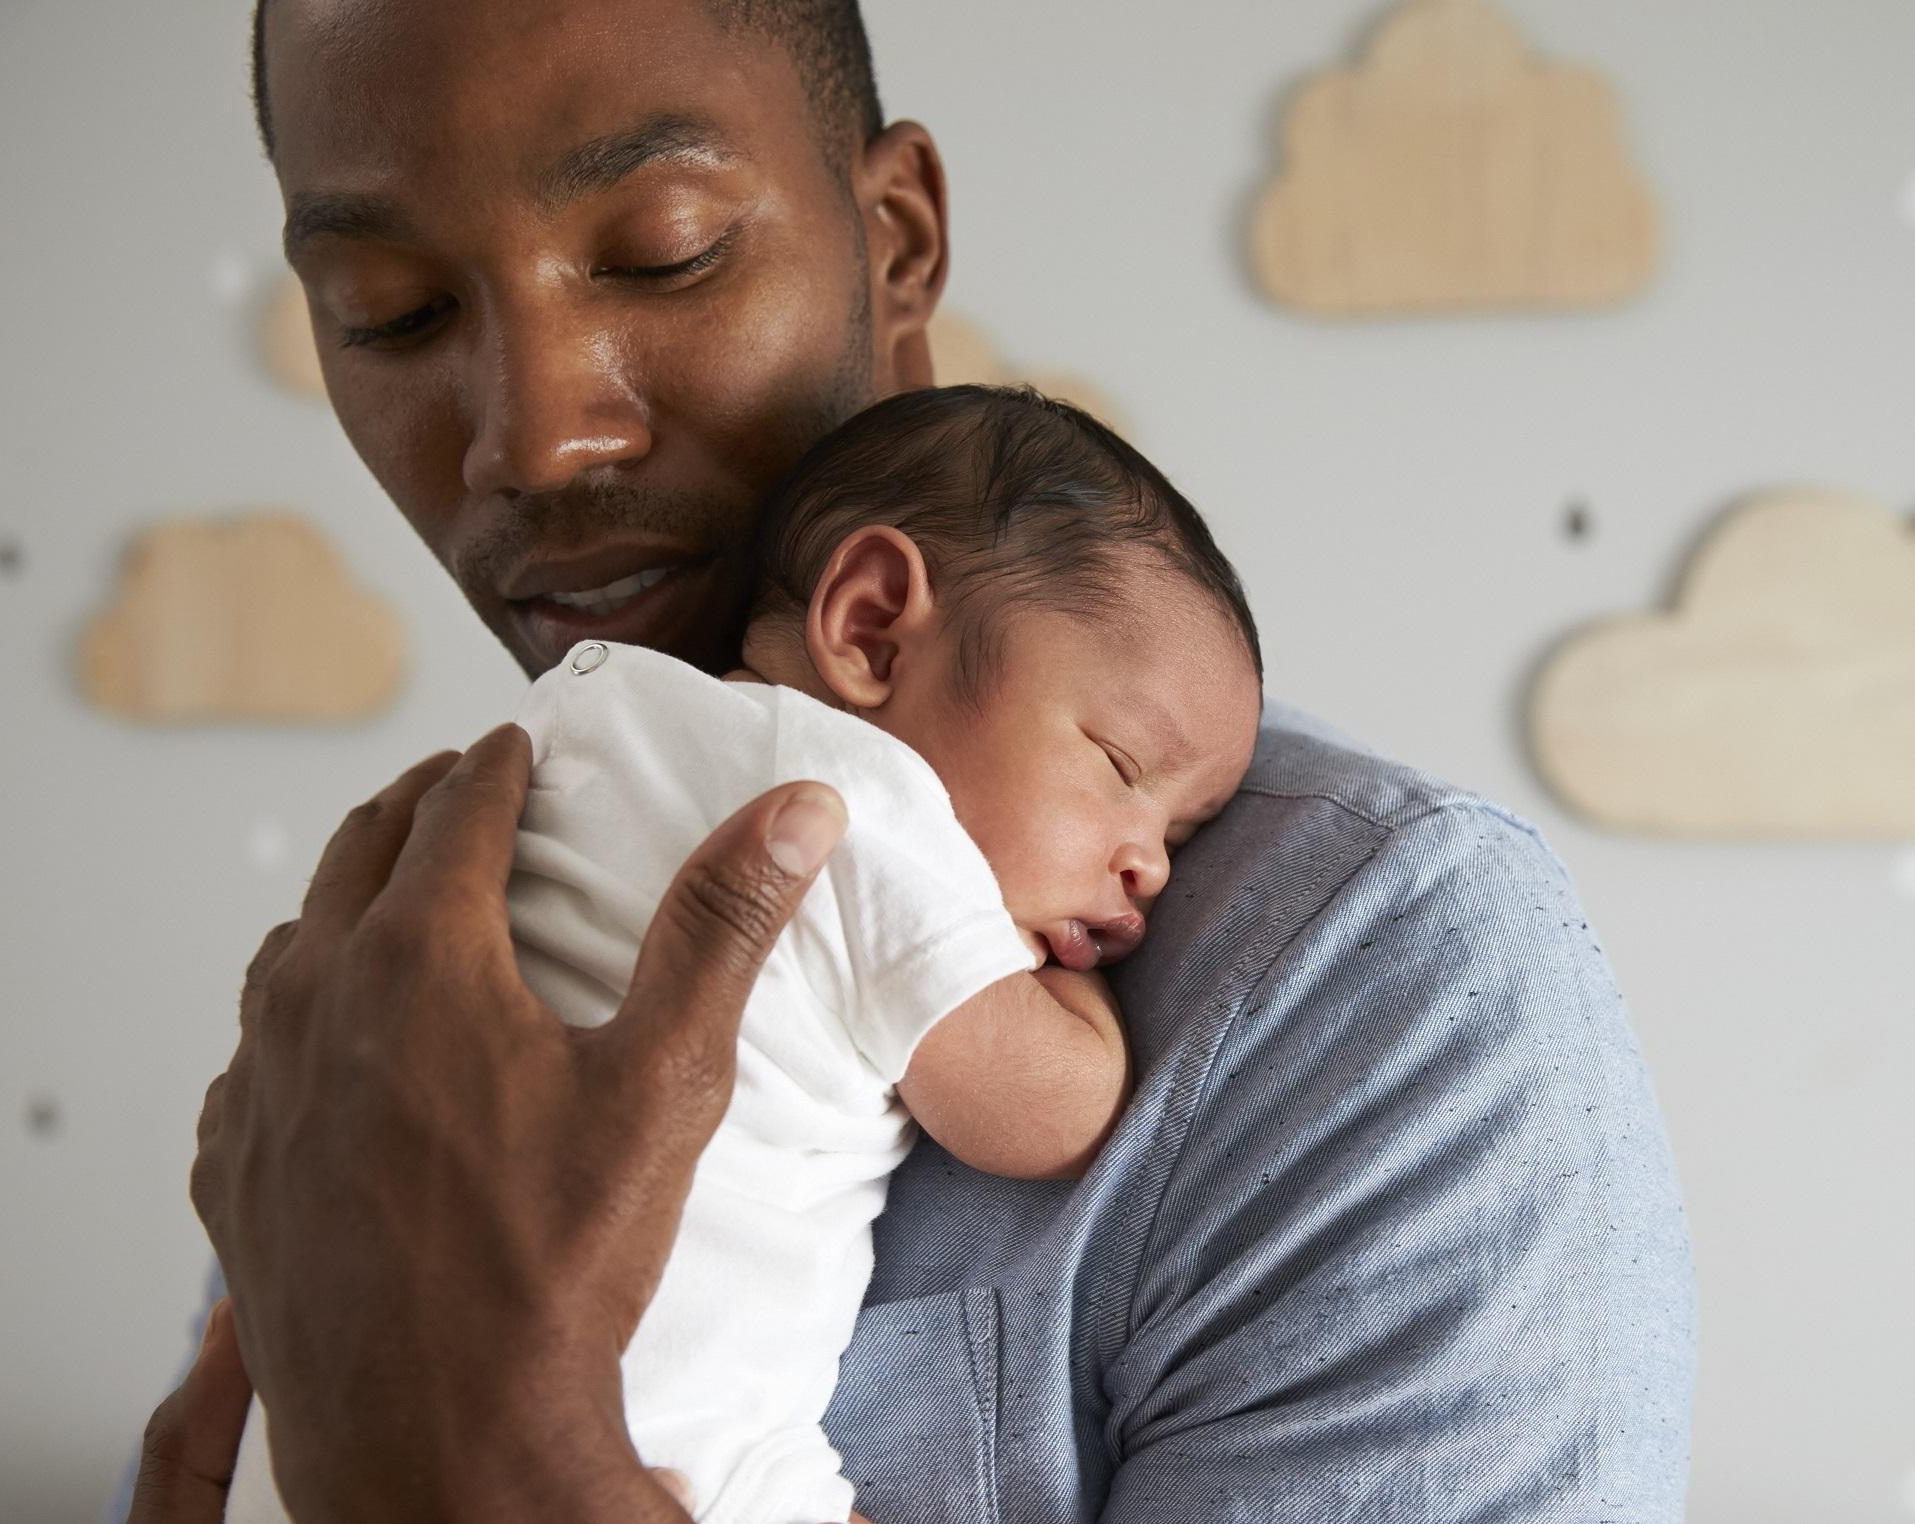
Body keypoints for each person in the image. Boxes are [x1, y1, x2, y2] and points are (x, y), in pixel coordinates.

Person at [125, 2, 1697, 1520]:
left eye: (663, 250)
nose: (532, 441)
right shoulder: (398, 961)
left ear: (896, 244)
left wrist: (514, 1476)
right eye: (391, 311)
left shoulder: (1371, 977)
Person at [223, 385, 1263, 1523]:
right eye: (1120, 766)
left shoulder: (587, 719)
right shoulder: (864, 803)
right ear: (870, 628)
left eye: (1178, 836)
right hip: (659, 1426)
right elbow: (1053, 1117)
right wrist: (1073, 987)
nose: (1150, 866)